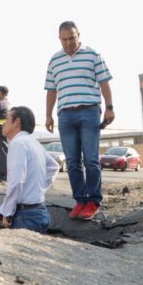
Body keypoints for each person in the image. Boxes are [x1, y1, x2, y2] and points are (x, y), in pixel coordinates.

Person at [45, 21, 114, 221]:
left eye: (72, 38)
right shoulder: (54, 60)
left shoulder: (93, 55)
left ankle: (93, 201)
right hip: (65, 115)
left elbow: (104, 83)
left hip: (89, 112)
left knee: (91, 159)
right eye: (65, 39)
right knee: (72, 161)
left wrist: (109, 108)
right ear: (59, 39)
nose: (69, 43)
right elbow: (51, 89)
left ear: (79, 35)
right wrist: (48, 115)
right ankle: (80, 201)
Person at [0, 106, 60, 233]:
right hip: (40, 211)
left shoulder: (18, 144)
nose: (3, 123)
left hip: (26, 217)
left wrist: (7, 212)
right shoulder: (35, 143)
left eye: (7, 119)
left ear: (17, 122)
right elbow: (54, 167)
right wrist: (37, 190)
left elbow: (16, 181)